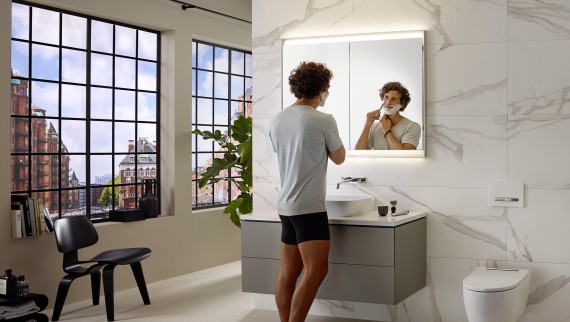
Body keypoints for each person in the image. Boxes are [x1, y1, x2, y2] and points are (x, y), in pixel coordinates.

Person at [269, 61, 345, 322]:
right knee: (317, 270)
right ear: (321, 88)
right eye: (327, 88)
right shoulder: (323, 119)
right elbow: (339, 158)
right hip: (310, 207)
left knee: (288, 272)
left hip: (286, 206)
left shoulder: (277, 119)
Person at [354, 81, 421, 150]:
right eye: (386, 97)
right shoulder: (375, 127)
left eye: (393, 99)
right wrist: (367, 126)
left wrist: (386, 130)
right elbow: (359, 152)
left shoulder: (412, 127)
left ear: (402, 104)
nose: (388, 102)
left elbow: (403, 154)